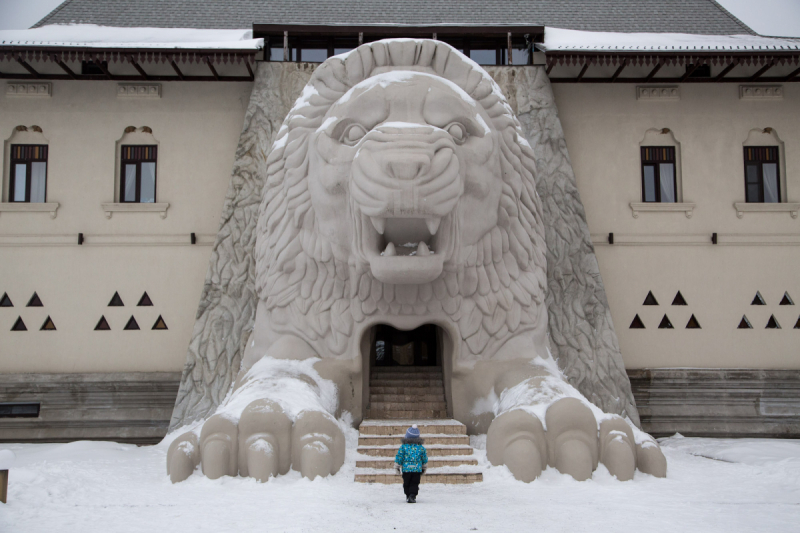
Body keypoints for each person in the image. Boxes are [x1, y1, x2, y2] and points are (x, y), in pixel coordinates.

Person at [394, 424, 428, 503]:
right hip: (417, 469)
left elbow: (399, 457)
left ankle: (408, 494)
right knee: (415, 483)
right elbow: (424, 458)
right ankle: (412, 495)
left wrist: (397, 466)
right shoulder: (421, 448)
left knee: (407, 482)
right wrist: (424, 467)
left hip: (406, 469)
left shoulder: (403, 447)